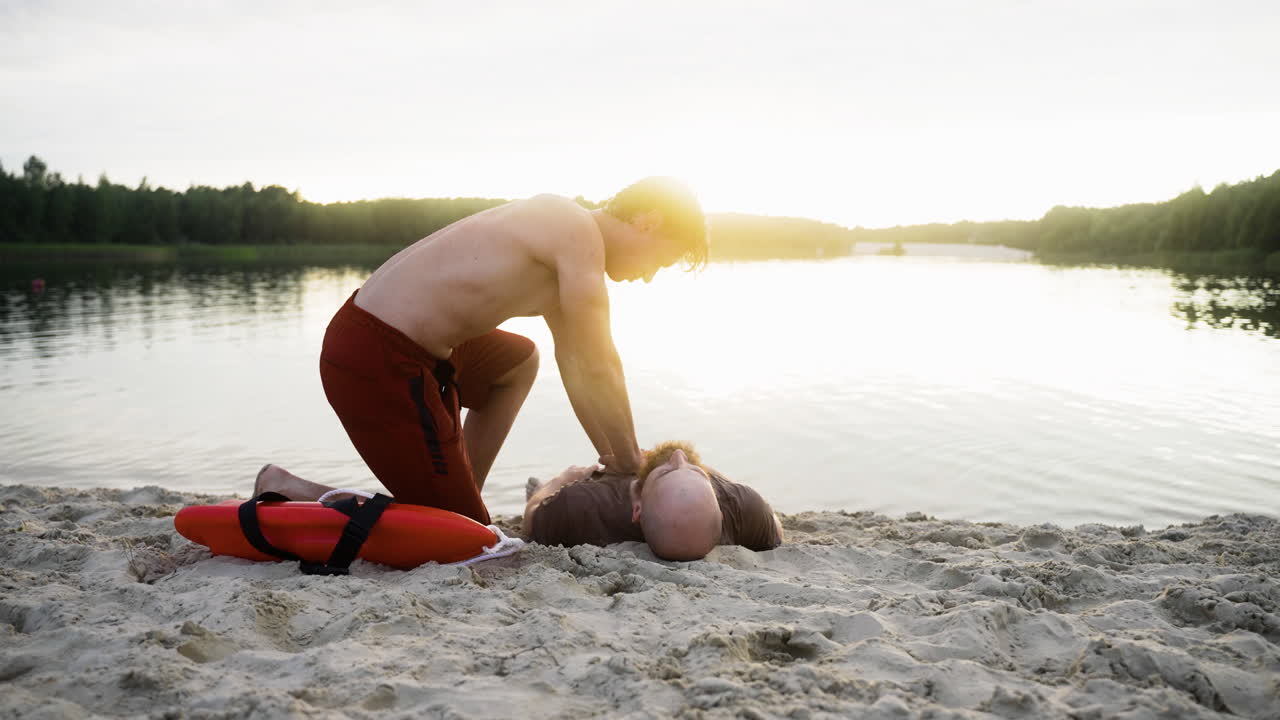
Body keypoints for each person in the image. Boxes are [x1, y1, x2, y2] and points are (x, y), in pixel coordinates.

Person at [255, 178, 708, 525]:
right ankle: (290, 487)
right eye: (660, 260)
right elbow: (600, 363)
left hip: (419, 350)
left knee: (517, 362)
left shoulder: (570, 252)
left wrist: (614, 457)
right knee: (462, 532)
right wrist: (633, 461)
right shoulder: (576, 231)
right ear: (648, 222)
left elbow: (577, 366)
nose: (649, 276)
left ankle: (462, 491)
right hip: (377, 353)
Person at [523, 441, 784, 560]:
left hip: (591, 492)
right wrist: (712, 472)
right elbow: (776, 529)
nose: (680, 455)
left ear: (638, 508)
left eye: (666, 471)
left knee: (538, 488)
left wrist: (563, 478)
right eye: (694, 471)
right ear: (717, 500)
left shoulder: (583, 503)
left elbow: (531, 519)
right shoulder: (742, 504)